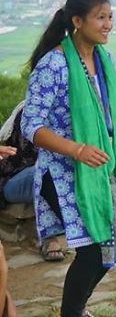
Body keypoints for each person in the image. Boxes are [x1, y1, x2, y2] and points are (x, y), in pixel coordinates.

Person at [21, 0, 116, 317]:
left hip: (99, 168)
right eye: (100, 17)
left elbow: (112, 113)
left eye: (110, 17)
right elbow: (31, 126)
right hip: (62, 173)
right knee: (92, 251)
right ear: (77, 21)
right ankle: (71, 313)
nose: (108, 25)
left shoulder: (104, 60)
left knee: (113, 243)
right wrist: (76, 149)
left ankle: (77, 309)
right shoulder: (54, 65)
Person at [0, 103, 66, 261]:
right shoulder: (31, 113)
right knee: (45, 171)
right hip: (12, 178)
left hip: (37, 173)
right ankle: (49, 237)